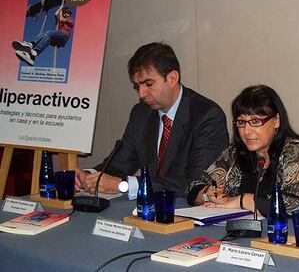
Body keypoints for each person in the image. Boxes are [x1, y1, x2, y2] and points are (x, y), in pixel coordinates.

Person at [75, 42, 229, 197]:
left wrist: (125, 185)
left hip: (188, 213)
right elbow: (118, 164)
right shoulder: (141, 113)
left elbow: (197, 183)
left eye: (149, 84)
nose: (141, 94)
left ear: (172, 78)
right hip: (147, 211)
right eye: (137, 86)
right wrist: (88, 176)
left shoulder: (207, 117)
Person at [186, 85, 299, 216]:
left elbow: (297, 204)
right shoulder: (235, 153)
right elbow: (193, 186)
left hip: (287, 232)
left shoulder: (296, 150)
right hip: (240, 229)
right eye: (241, 122)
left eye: (255, 121)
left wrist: (242, 200)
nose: (247, 131)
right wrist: (209, 194)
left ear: (276, 121)